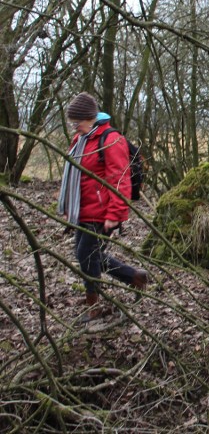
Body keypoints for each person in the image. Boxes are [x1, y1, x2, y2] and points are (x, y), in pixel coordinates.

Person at [58, 92, 148, 323]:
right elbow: (75, 175)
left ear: (90, 118)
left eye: (77, 122)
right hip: (83, 210)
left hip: (101, 212)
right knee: (90, 255)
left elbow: (120, 180)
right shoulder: (81, 139)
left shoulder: (110, 140)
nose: (74, 127)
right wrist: (70, 206)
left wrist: (115, 214)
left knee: (85, 255)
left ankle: (94, 306)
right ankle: (135, 277)